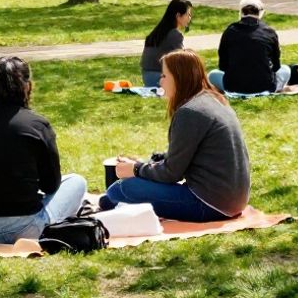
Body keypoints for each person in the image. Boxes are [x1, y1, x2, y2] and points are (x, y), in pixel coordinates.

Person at [0, 57, 87, 244]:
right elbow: (50, 185)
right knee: (76, 182)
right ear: (27, 86)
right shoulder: (36, 124)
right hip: (20, 228)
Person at [103, 50, 250, 221]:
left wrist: (135, 170)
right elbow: (184, 158)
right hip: (231, 200)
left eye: (165, 76)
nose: (160, 81)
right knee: (117, 194)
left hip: (209, 204)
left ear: (179, 78)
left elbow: (172, 173)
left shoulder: (190, 112)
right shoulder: (214, 100)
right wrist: (144, 166)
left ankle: (116, 203)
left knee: (118, 191)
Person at [209, 0, 291, 94]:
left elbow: (222, 66)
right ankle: (276, 88)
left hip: (233, 86)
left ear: (241, 12)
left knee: (212, 74)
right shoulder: (270, 32)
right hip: (264, 86)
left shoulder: (230, 31)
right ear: (261, 13)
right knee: (285, 69)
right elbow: (276, 66)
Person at [141, 0, 193, 87]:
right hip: (161, 79)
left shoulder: (157, 32)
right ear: (178, 16)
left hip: (147, 78)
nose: (189, 18)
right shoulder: (174, 34)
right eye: (188, 14)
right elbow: (182, 62)